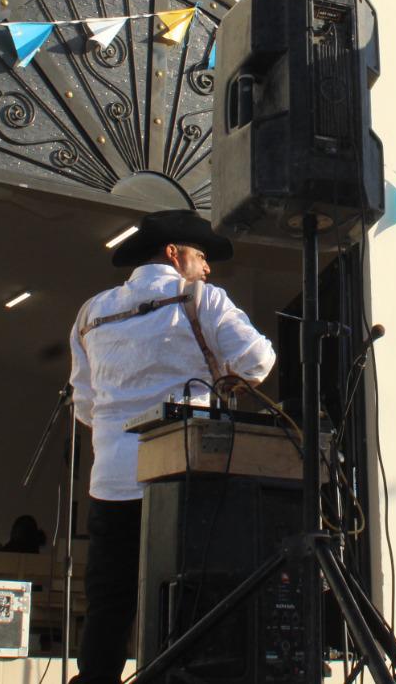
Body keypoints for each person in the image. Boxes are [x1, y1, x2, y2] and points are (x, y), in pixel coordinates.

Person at [67, 209, 275, 684]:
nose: (208, 267)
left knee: (110, 599)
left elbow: (85, 406)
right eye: (201, 256)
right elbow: (259, 360)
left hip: (113, 479)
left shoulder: (91, 311)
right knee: (187, 592)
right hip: (182, 472)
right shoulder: (202, 298)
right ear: (173, 253)